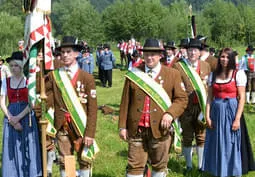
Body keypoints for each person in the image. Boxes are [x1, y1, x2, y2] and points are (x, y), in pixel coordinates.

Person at [119, 38, 188, 177]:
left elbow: (182, 99)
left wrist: (170, 114)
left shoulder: (172, 74)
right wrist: (122, 126)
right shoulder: (134, 74)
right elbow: (125, 102)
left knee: (159, 166)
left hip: (160, 129)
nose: (149, 57)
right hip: (136, 129)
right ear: (143, 55)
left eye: (153, 54)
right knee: (134, 167)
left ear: (160, 55)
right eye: (147, 54)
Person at [45, 36, 98, 177]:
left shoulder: (87, 78)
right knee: (64, 160)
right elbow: (43, 94)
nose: (65, 55)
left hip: (81, 127)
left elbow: (93, 109)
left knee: (84, 160)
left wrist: (90, 133)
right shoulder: (55, 76)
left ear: (76, 53)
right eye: (62, 52)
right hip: (62, 126)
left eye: (68, 52)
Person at [202, 48, 246, 177]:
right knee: (216, 141)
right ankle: (218, 170)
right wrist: (207, 116)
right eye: (222, 56)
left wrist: (237, 119)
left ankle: (231, 170)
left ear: (231, 58)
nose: (224, 59)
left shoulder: (238, 74)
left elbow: (242, 98)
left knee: (230, 141)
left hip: (231, 110)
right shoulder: (213, 75)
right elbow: (209, 98)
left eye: (227, 57)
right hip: (216, 110)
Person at [0, 51, 42, 177]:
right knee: (12, 146)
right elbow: (2, 102)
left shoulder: (29, 81)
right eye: (11, 65)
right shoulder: (5, 81)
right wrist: (11, 118)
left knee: (28, 144)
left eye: (16, 65)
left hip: (26, 116)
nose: (13, 68)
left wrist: (18, 117)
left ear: (21, 66)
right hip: (10, 115)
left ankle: (30, 172)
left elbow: (32, 103)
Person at [173, 38, 211, 174]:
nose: (192, 53)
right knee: (187, 137)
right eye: (189, 50)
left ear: (200, 52)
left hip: (201, 107)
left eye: (195, 50)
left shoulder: (206, 66)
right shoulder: (178, 66)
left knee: (202, 136)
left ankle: (201, 166)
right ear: (186, 51)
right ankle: (189, 166)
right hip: (186, 108)